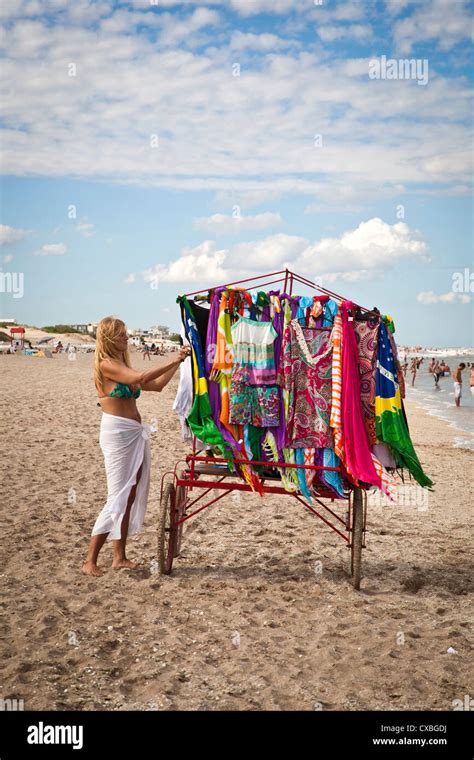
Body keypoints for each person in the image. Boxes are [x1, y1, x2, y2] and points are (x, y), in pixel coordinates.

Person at [82, 316, 191, 577]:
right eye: (121, 335)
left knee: (130, 493)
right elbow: (142, 375)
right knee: (117, 495)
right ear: (109, 338)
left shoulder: (121, 363)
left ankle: (119, 556)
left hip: (134, 433)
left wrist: (179, 364)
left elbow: (156, 385)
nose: (127, 339)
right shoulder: (106, 365)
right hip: (117, 434)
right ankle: (89, 560)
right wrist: (173, 359)